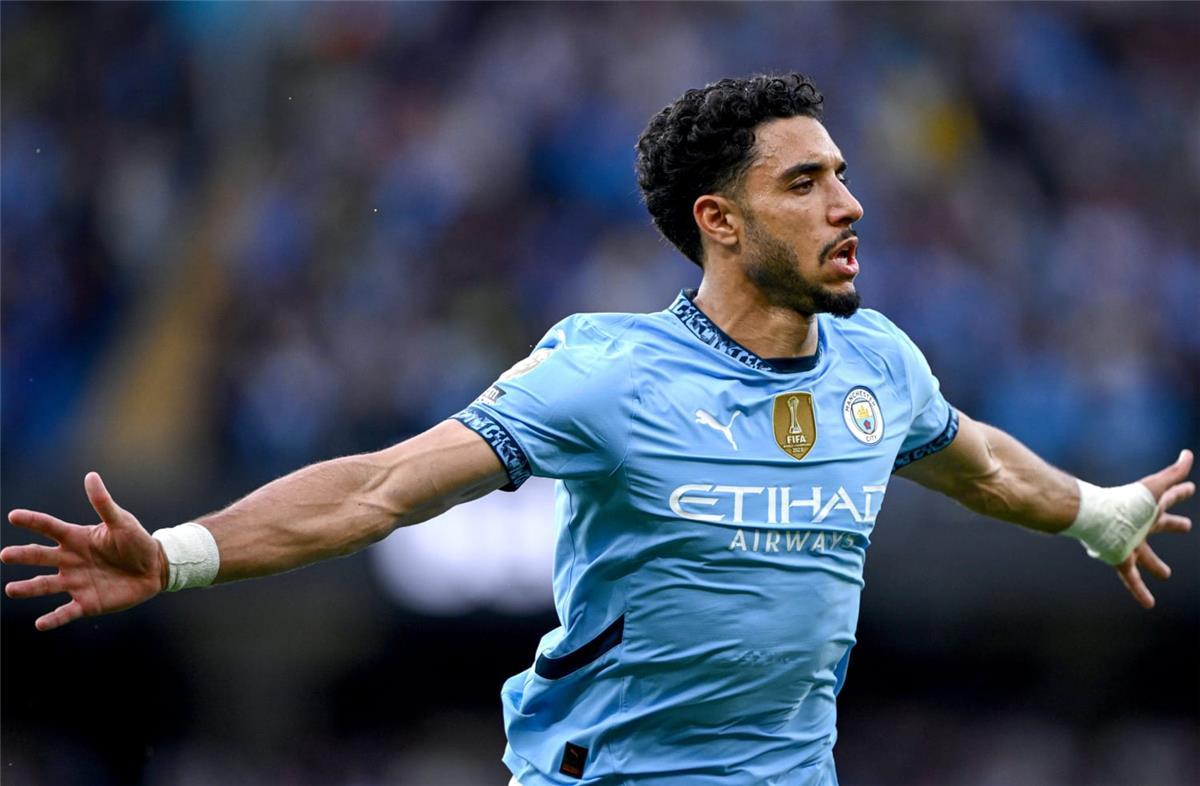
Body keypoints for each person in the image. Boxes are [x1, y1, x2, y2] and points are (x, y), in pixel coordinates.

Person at [2, 73, 1193, 786]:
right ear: (720, 222)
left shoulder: (880, 361)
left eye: (841, 174)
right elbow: (380, 488)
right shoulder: (607, 372)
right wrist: (182, 554)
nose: (850, 204)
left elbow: (983, 466)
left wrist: (1098, 514)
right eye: (806, 184)